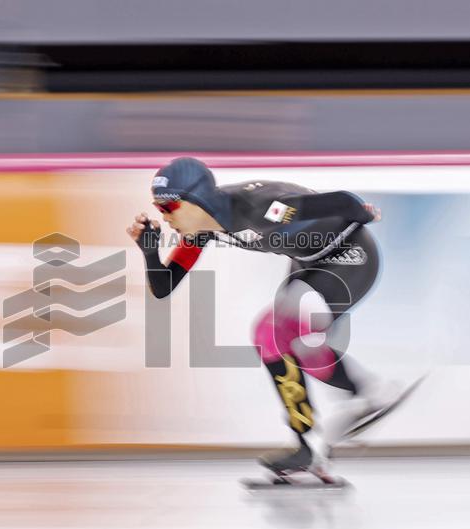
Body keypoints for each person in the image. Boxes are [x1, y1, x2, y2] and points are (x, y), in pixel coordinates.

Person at [126, 157, 404, 483]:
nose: (165, 215)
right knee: (279, 342)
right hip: (309, 264)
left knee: (275, 333)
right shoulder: (201, 230)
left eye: (170, 205)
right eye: (159, 208)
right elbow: (164, 287)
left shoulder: (261, 208)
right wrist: (148, 251)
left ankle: (356, 404)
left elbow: (342, 201)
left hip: (351, 257)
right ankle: (335, 424)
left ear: (197, 199)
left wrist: (365, 212)